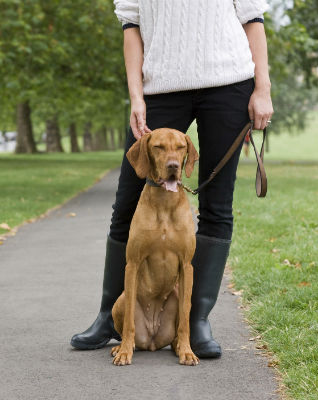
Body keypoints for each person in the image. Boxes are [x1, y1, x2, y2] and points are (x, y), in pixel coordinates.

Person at [70, 0, 274, 358]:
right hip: (160, 86)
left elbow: (252, 18)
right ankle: (109, 316)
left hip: (229, 84)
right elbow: (130, 27)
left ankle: (196, 321)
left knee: (217, 205)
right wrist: (136, 96)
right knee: (128, 201)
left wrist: (263, 88)